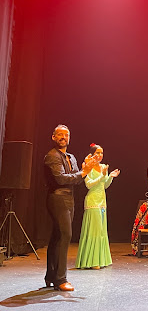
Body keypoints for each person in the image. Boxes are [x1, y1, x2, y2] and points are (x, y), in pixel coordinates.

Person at [44, 124, 98, 291]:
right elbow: (61, 179)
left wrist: (85, 170)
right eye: (59, 135)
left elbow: (76, 179)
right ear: (53, 137)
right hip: (58, 198)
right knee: (65, 236)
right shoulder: (52, 156)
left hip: (69, 198)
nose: (63, 138)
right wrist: (83, 172)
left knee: (57, 237)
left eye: (66, 135)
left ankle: (51, 276)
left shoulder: (71, 157)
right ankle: (61, 279)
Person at [75, 144, 120, 269]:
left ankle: (100, 260)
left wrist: (110, 176)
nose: (100, 155)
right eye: (97, 153)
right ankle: (92, 261)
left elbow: (104, 185)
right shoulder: (88, 166)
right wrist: (102, 176)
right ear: (92, 154)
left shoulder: (103, 167)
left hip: (102, 202)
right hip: (92, 202)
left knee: (101, 231)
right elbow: (89, 185)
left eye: (101, 153)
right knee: (93, 231)